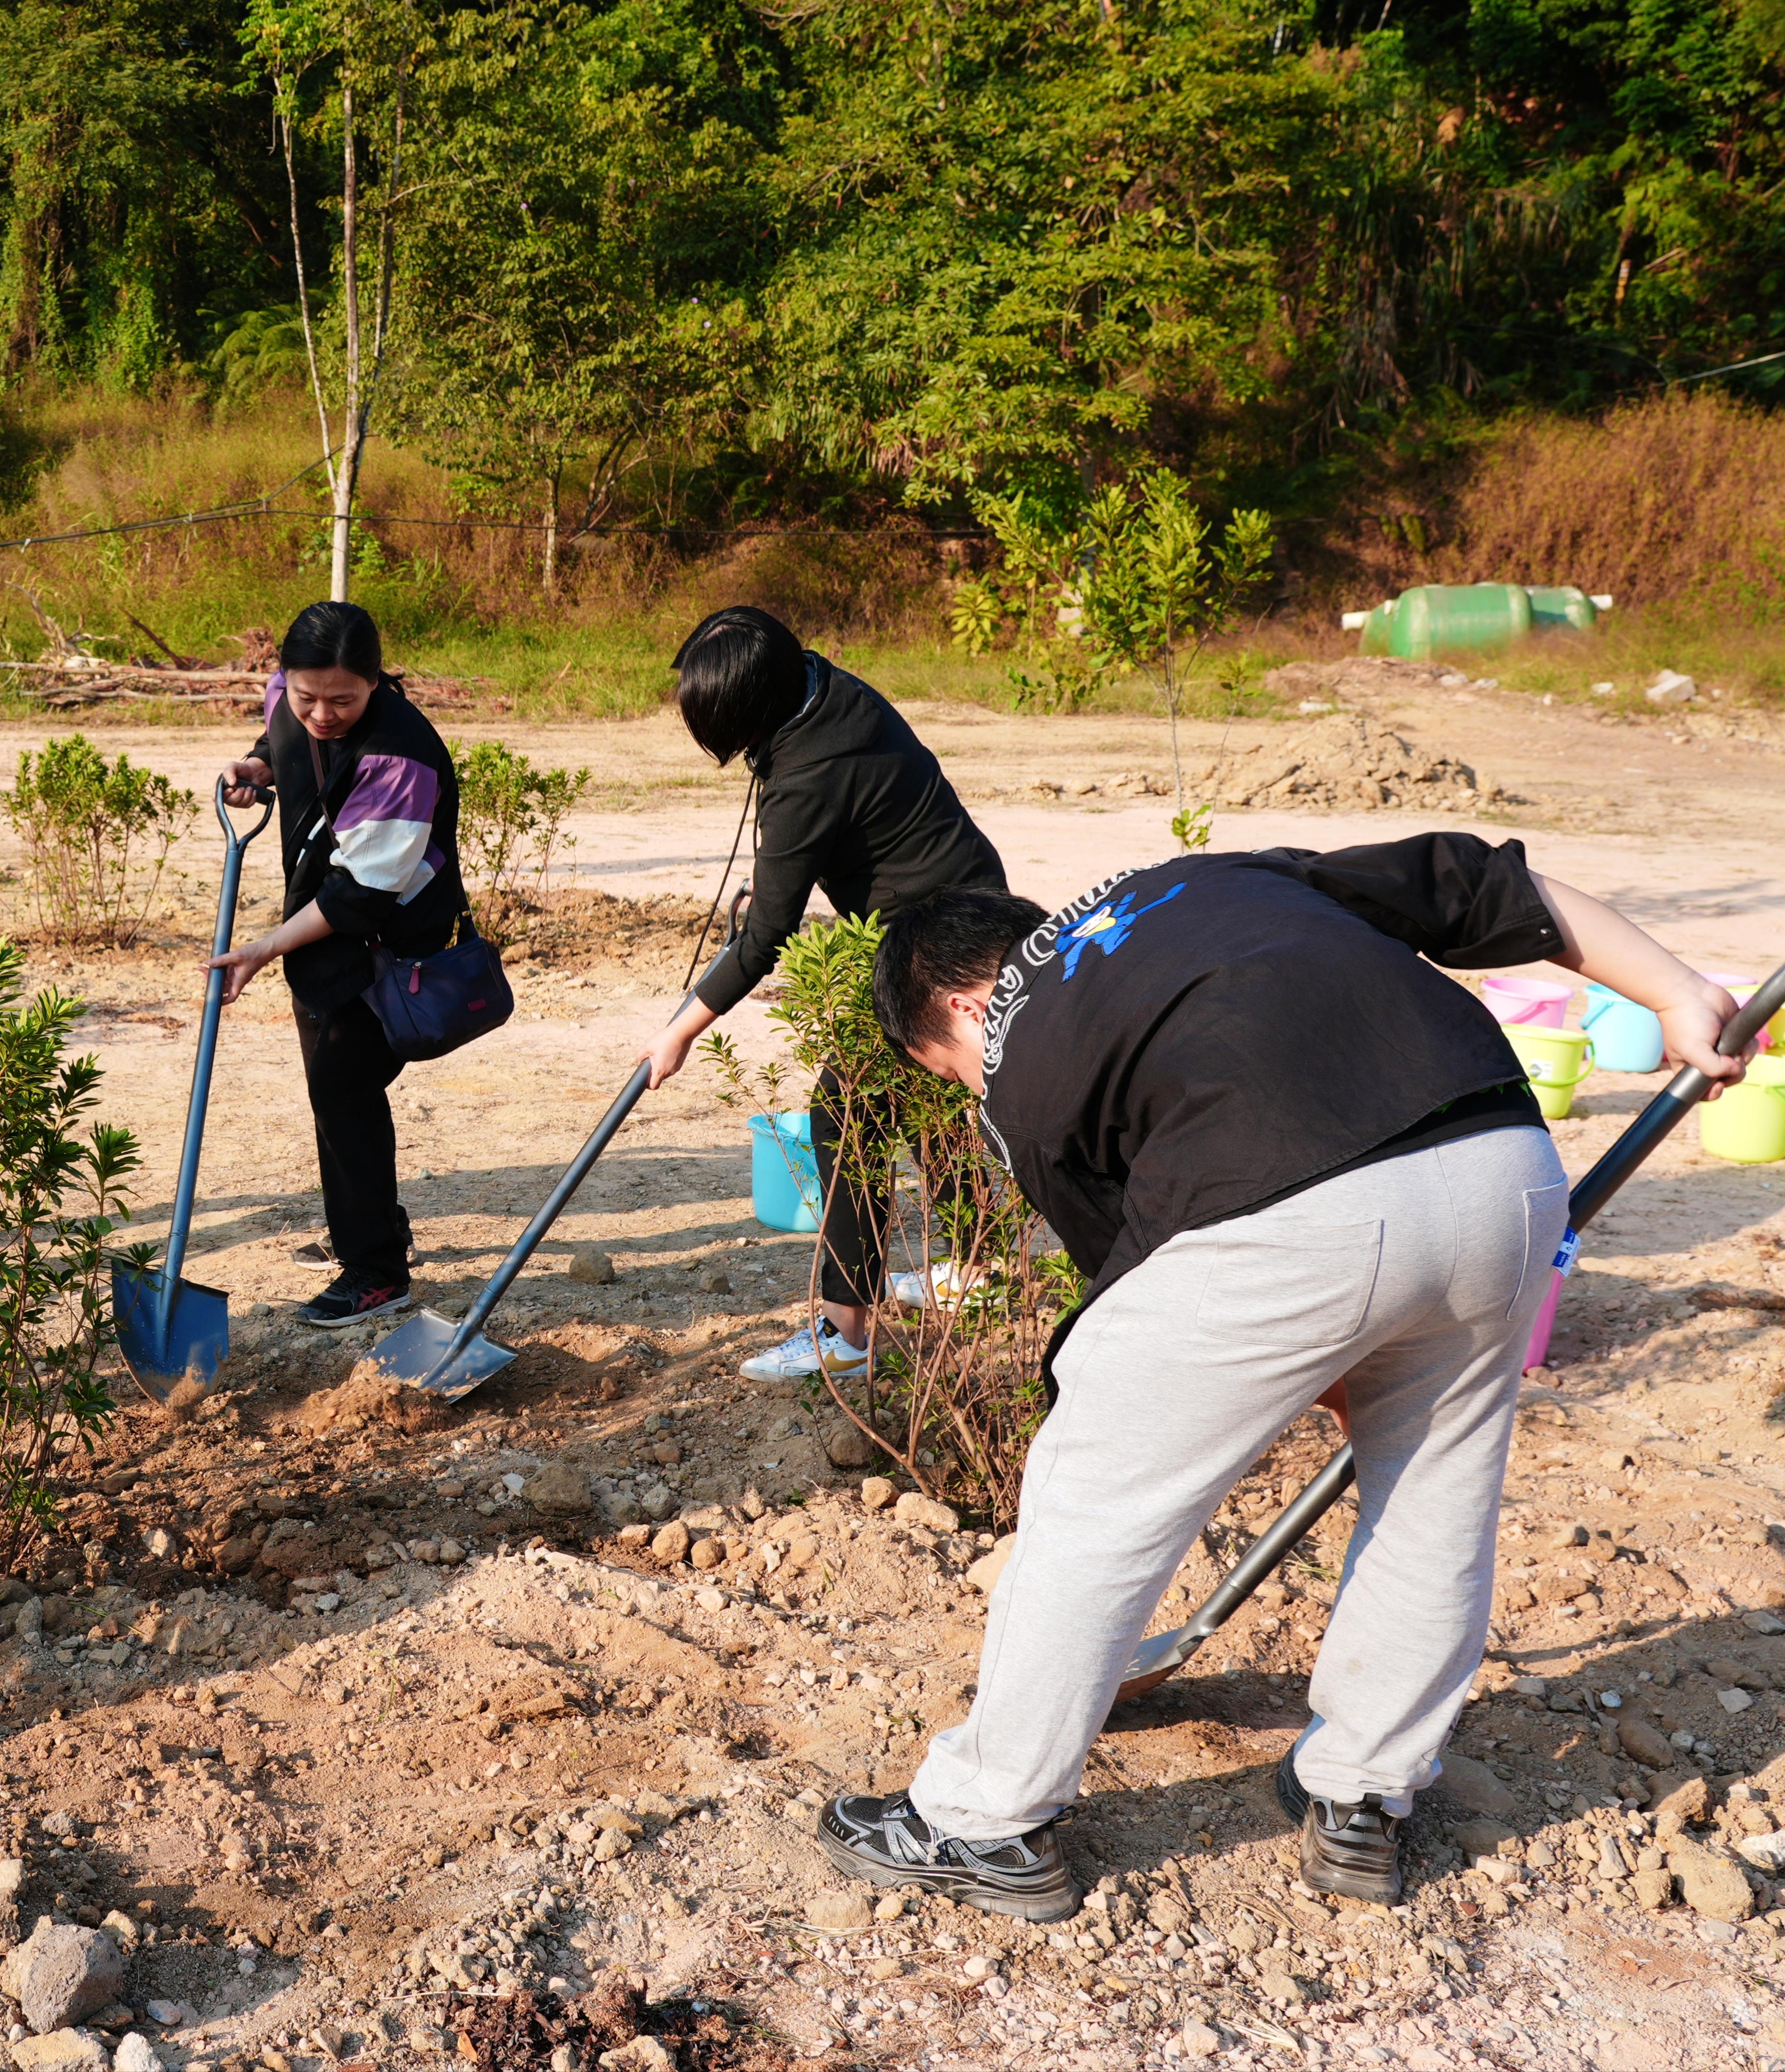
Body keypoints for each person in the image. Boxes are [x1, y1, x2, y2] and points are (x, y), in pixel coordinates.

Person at [811, 835, 1742, 1921]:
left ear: (965, 1011)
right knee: (1434, 1491)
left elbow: (1134, 1288)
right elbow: (1485, 884)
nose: (973, 1086)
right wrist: (1678, 991)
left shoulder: (1020, 1060)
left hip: (1286, 1209)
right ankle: (1363, 1795)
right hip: (1504, 1167)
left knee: (1094, 1493)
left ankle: (982, 1817)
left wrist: (1295, 1347)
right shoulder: (1199, 879)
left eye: (949, 1072)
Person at [631, 605, 1009, 1385]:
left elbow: (765, 935)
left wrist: (681, 1030)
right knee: (928, 1095)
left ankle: (847, 1332)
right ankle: (980, 1268)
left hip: (934, 944)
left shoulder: (806, 776)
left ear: (749, 712)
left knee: (849, 1108)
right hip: (973, 903)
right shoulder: (825, 686)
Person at [211, 600, 469, 1328]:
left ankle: (378, 1271)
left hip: (387, 936)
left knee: (344, 1086)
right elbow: (282, 735)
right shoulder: (290, 695)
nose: (322, 713)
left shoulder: (400, 756)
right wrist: (259, 765)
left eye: (343, 700)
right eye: (308, 697)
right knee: (331, 1079)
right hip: (319, 922)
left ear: (376, 684)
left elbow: (363, 897)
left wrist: (264, 948)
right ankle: (371, 1224)